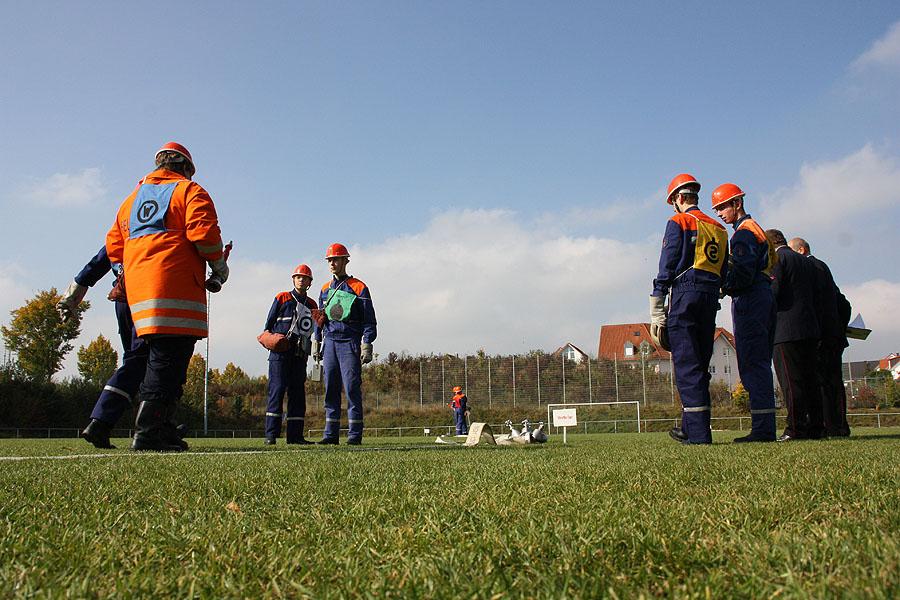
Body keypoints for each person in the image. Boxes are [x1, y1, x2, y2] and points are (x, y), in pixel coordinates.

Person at [106, 141, 227, 451]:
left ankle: (164, 427)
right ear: (185, 168)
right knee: (168, 364)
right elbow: (205, 235)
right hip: (176, 291)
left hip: (138, 295)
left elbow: (114, 248)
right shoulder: (190, 191)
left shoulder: (131, 200)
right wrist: (219, 266)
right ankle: (148, 432)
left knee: (159, 361)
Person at [651, 174, 728, 445]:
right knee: (700, 364)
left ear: (678, 199)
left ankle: (698, 434)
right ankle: (689, 426)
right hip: (710, 297)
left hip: (685, 294)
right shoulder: (719, 228)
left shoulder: (678, 222)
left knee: (686, 365)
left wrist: (657, 305)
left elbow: (668, 264)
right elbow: (723, 270)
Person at [57, 246, 151, 449]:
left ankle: (160, 424)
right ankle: (102, 421)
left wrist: (71, 296)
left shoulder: (123, 233)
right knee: (145, 361)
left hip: (123, 299)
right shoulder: (152, 231)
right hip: (146, 297)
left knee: (141, 362)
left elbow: (98, 262)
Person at [711, 183, 777, 442]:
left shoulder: (743, 234)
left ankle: (762, 430)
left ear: (737, 203)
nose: (719, 214)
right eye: (716, 209)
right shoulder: (756, 229)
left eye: (722, 207)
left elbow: (742, 273)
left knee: (752, 362)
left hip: (750, 299)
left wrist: (723, 285)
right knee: (760, 362)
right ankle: (765, 426)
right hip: (763, 295)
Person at [313, 243, 377, 445]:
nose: (332, 263)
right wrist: (316, 340)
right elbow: (320, 318)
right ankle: (330, 435)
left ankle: (354, 435)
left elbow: (369, 320)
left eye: (336, 259)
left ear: (345, 261)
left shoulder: (359, 287)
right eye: (330, 260)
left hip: (349, 342)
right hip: (330, 342)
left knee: (351, 388)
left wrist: (367, 343)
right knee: (330, 389)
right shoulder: (325, 289)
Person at [788, 237, 852, 437]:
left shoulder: (809, 268)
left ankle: (826, 424)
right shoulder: (823, 268)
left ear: (801, 250)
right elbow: (843, 304)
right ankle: (838, 425)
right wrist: (840, 326)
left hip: (819, 333)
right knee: (833, 381)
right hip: (833, 333)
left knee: (821, 381)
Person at [765, 229, 821, 441]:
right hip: (809, 327)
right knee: (811, 380)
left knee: (791, 381)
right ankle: (816, 426)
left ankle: (795, 428)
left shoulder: (778, 259)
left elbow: (774, 291)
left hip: (785, 328)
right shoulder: (806, 262)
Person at [261, 264, 319, 445]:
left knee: (297, 393)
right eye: (298, 277)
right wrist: (272, 339)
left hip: (299, 354)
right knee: (277, 390)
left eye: (305, 278)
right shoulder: (282, 297)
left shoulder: (312, 305)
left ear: (310, 282)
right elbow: (268, 325)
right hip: (280, 353)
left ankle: (295, 436)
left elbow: (316, 328)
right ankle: (271, 435)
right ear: (293, 280)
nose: (301, 280)